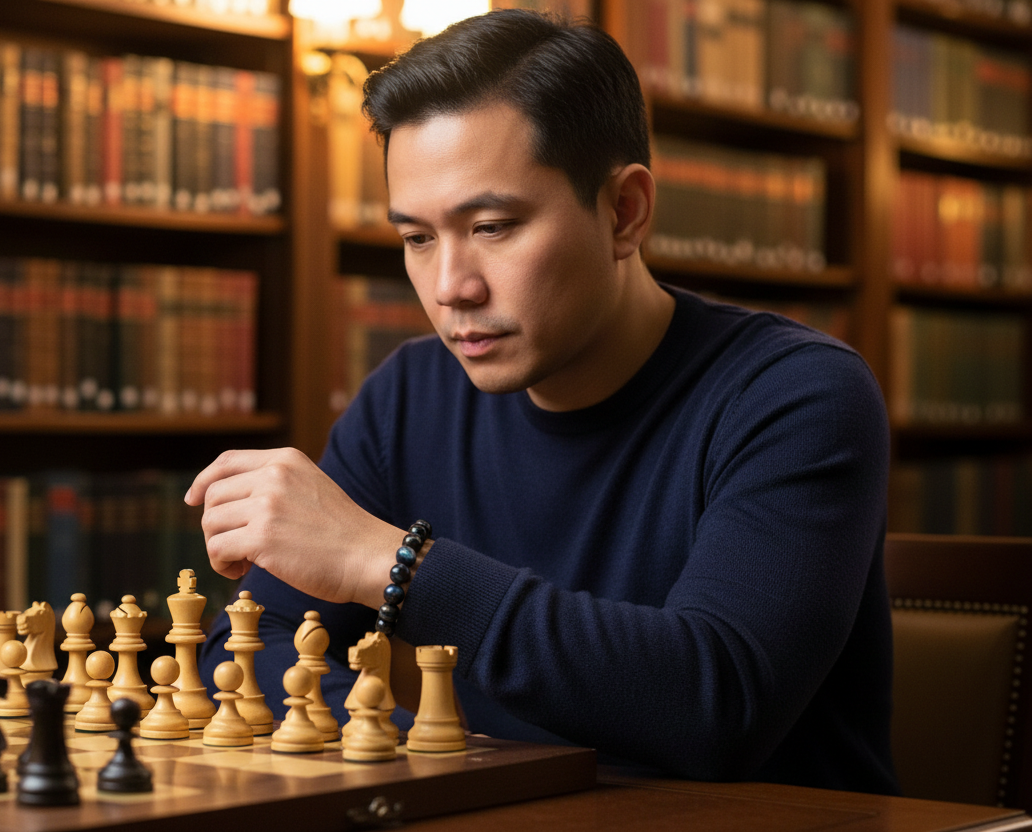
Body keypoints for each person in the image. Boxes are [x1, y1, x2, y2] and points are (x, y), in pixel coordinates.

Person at [186, 9, 898, 795]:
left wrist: (387, 564)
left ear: (624, 212)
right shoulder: (408, 395)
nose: (451, 286)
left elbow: (718, 705)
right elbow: (255, 645)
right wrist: (408, 748)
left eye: (491, 226)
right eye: (417, 238)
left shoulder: (796, 394)